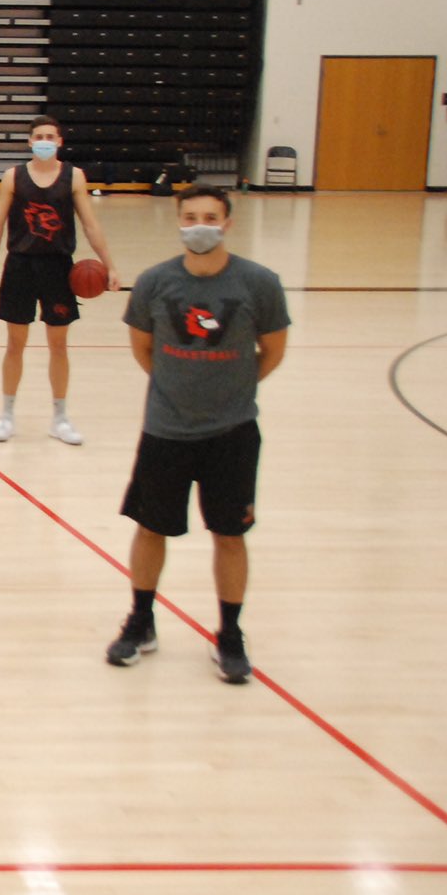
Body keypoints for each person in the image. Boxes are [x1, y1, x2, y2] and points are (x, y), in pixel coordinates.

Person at [105, 187, 290, 684]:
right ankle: (141, 620)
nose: (200, 225)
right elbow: (144, 350)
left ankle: (230, 633)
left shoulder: (259, 283)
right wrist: (179, 389)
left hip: (232, 433)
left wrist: (229, 391)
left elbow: (272, 351)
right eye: (191, 217)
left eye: (210, 217)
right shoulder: (155, 283)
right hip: (166, 430)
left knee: (230, 535)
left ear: (228, 222)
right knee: (150, 528)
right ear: (179, 222)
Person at [0, 116, 120, 444]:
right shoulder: (13, 176)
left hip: (59, 267)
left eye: (49, 136)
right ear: (30, 142)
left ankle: (60, 418)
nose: (43, 141)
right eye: (38, 136)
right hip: (20, 266)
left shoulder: (74, 177)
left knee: (59, 345)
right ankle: (6, 415)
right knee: (15, 344)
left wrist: (110, 265)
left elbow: (90, 224)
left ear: (59, 141)